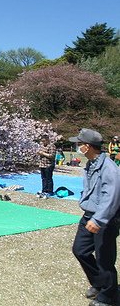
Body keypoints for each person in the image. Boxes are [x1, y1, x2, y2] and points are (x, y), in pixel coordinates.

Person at [70, 128, 120, 306]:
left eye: (79, 144)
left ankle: (109, 296)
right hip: (89, 215)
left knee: (104, 258)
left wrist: (98, 220)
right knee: (80, 250)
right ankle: (100, 283)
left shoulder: (109, 169)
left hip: (105, 219)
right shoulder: (91, 164)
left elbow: (112, 197)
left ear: (87, 146)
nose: (77, 147)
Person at [36, 134, 56, 199]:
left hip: (49, 165)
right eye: (42, 141)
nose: (43, 142)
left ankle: (50, 191)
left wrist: (43, 153)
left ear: (47, 140)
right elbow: (39, 152)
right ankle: (44, 190)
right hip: (42, 164)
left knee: (49, 178)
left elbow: (52, 156)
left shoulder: (52, 146)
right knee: (43, 178)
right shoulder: (41, 146)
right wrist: (38, 153)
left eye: (44, 141)